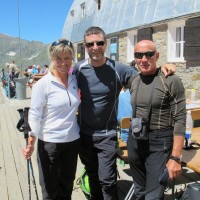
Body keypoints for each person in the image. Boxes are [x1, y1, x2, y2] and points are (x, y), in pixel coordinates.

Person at [73, 26, 176, 200]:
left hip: (107, 134)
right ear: (85, 46)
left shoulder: (117, 69)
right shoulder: (78, 69)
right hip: (84, 134)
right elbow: (59, 77)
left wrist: (163, 66)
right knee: (92, 176)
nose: (95, 47)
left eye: (99, 43)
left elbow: (146, 76)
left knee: (108, 180)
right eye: (90, 44)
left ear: (105, 44)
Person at [127, 40, 186, 200]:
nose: (144, 59)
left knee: (153, 196)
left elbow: (180, 118)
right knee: (139, 192)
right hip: (136, 140)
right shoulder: (134, 80)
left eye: (149, 54)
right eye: (139, 55)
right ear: (135, 58)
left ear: (157, 55)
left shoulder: (170, 80)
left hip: (160, 143)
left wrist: (175, 157)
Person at [22, 39, 80, 200]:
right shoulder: (43, 85)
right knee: (49, 190)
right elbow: (34, 114)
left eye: (67, 58)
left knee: (67, 187)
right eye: (58, 58)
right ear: (51, 59)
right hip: (49, 143)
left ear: (72, 58)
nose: (63, 63)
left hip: (72, 141)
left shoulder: (75, 80)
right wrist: (31, 142)